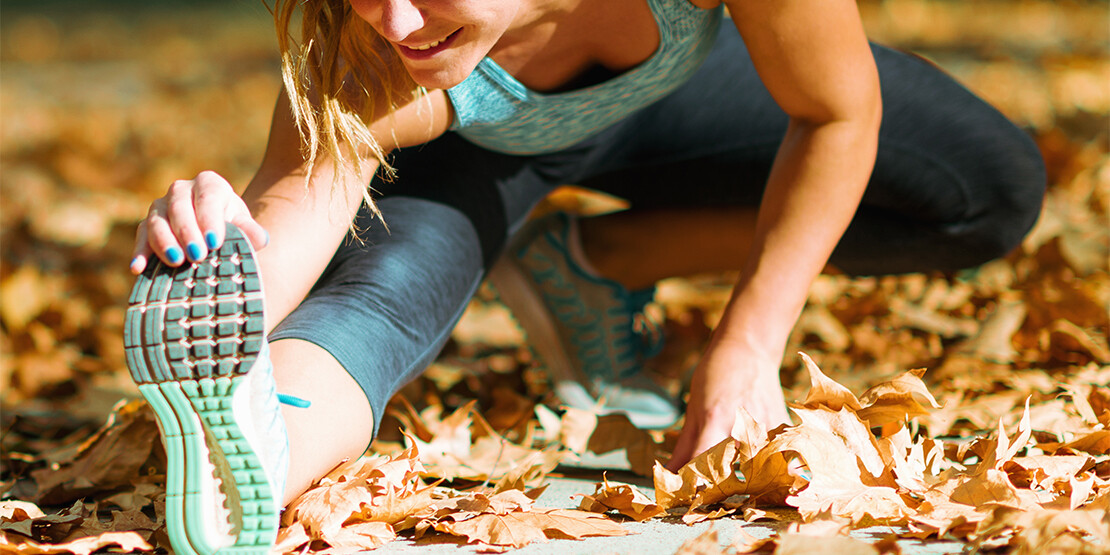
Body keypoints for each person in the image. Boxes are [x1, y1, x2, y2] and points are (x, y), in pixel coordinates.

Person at [123, 0, 1046, 552]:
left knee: (990, 190)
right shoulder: (377, 48)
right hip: (477, 159)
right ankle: (249, 451)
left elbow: (839, 114)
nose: (393, 19)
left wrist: (751, 339)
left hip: (691, 98)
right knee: (373, 301)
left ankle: (597, 263)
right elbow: (293, 226)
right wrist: (216, 251)